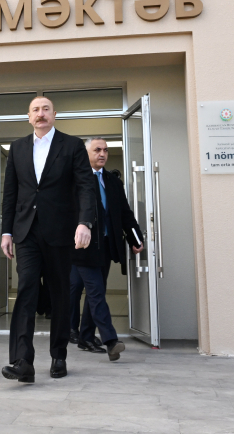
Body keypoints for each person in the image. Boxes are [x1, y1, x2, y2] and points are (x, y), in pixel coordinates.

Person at [0, 96, 96, 383]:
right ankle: (22, 361)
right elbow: (10, 193)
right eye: (35, 110)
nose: (40, 114)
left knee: (59, 293)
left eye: (45, 109)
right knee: (26, 289)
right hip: (26, 231)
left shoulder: (72, 146)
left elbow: (85, 186)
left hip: (60, 232)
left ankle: (58, 355)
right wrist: (6, 231)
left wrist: (85, 222)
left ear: (54, 114)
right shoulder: (17, 148)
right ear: (28, 117)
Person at [70, 137, 145, 361]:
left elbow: (124, 213)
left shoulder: (112, 181)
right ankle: (110, 340)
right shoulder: (74, 179)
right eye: (97, 150)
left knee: (97, 291)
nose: (102, 154)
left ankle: (85, 337)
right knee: (95, 291)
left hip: (105, 246)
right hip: (82, 246)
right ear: (86, 154)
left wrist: (135, 238)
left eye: (105, 150)